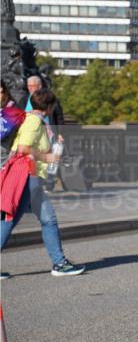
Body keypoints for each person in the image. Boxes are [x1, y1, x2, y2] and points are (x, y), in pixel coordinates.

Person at [0, 88, 85, 277]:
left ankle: (59, 262)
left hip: (26, 174)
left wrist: (54, 142)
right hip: (27, 174)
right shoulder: (34, 121)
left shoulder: (35, 120)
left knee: (9, 220)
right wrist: (47, 157)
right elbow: (23, 149)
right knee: (47, 219)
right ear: (49, 106)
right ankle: (59, 263)